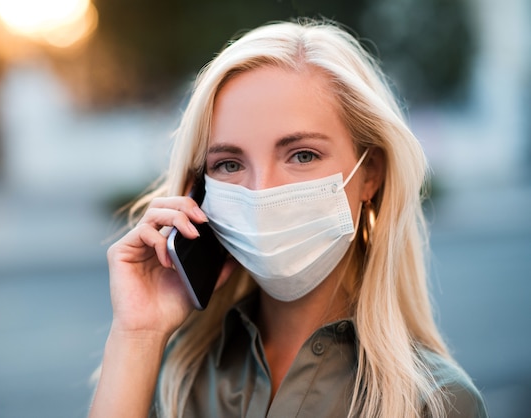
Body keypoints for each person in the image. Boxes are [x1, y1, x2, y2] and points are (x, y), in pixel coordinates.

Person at [88, 19, 488, 418]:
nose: (261, 191)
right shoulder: (173, 374)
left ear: (371, 174)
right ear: (199, 192)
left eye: (302, 155)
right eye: (229, 164)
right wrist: (137, 335)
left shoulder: (436, 403)